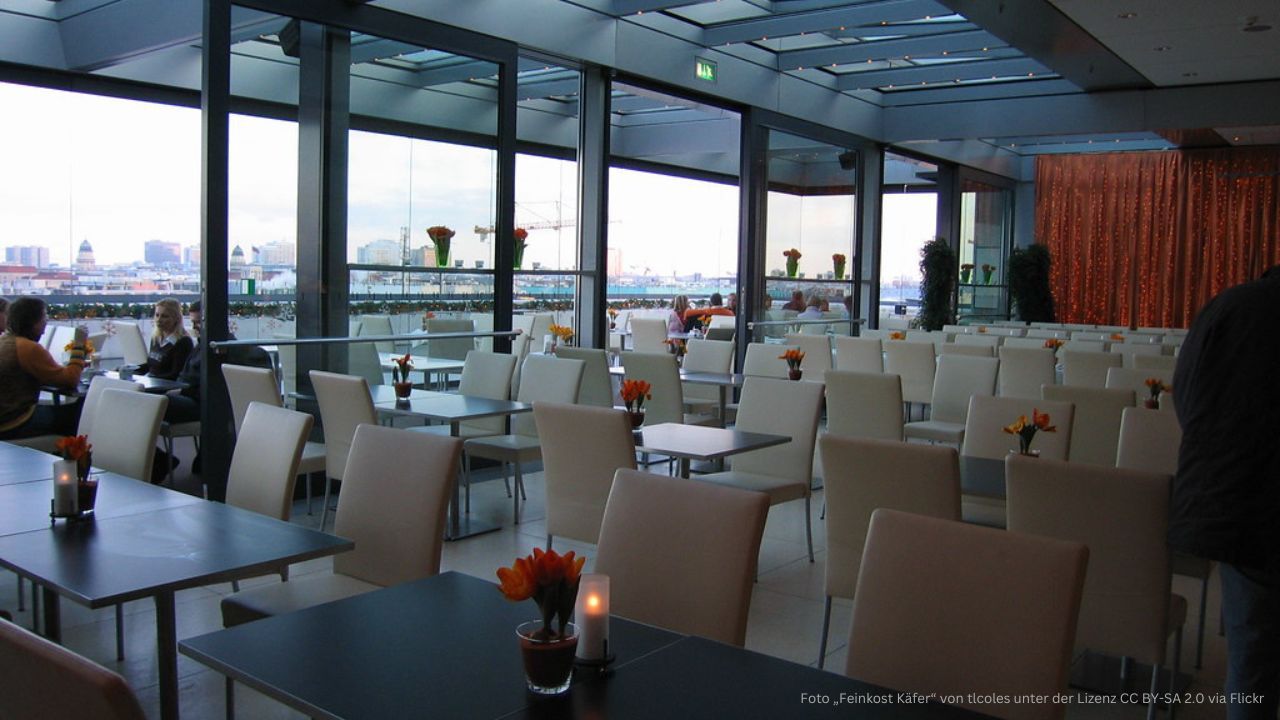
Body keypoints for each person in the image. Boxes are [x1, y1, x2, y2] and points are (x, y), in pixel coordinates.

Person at [1171, 265, 1280, 720]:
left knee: (1251, 665)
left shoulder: (1233, 306)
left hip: (1244, 510)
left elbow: (1186, 397)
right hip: (1247, 507)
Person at [0, 297, 86, 440]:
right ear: (33, 322)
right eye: (44, 318)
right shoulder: (28, 348)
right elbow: (71, 380)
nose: (46, 325)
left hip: (5, 417)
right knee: (81, 411)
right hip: (15, 422)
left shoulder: (5, 341)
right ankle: (77, 456)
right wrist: (79, 345)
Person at [138, 297, 193, 380]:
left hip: (166, 387)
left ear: (176, 318)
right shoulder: (156, 338)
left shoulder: (183, 342)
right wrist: (131, 369)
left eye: (164, 316)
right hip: (151, 381)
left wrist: (149, 379)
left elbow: (176, 374)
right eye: (157, 315)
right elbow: (151, 365)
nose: (159, 320)